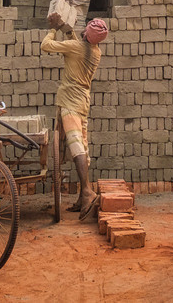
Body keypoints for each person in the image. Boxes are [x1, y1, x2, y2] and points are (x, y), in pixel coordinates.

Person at [43, 14, 108, 220]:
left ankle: (87, 192)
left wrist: (53, 28)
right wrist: (65, 27)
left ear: (87, 33)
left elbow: (46, 45)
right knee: (83, 145)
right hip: (82, 102)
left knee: (75, 146)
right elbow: (76, 43)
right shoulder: (95, 51)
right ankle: (83, 197)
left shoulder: (75, 47)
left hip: (70, 103)